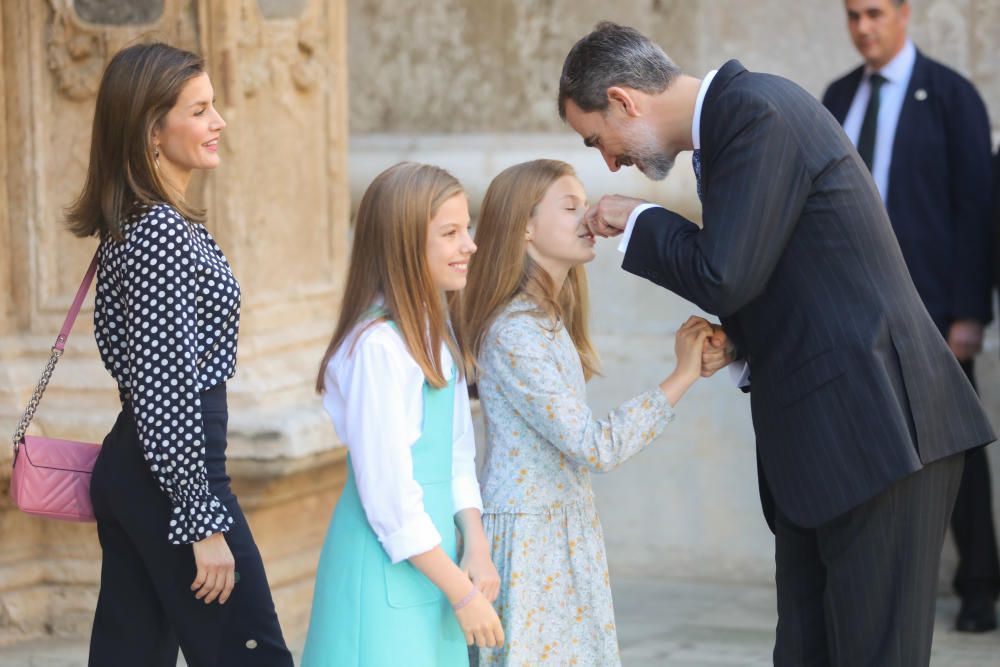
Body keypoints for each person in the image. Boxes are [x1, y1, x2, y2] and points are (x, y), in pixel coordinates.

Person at [558, 22, 995, 666]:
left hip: (881, 433)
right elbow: (793, 275)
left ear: (624, 100)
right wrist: (738, 341)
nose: (610, 162)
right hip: (833, 443)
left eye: (598, 139)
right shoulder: (734, 124)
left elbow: (725, 272)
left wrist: (640, 219)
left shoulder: (754, 110)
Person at [66, 43, 293, 666]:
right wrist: (202, 519)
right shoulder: (160, 233)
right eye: (199, 109)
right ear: (152, 131)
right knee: (252, 655)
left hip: (148, 468)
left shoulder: (150, 223)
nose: (219, 121)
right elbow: (165, 390)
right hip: (172, 473)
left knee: (131, 655)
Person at [456, 159, 712, 666]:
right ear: (524, 226)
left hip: (563, 529)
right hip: (529, 542)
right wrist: (681, 375)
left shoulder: (546, 320)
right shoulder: (515, 332)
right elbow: (594, 446)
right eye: (569, 206)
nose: (588, 215)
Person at [822, 0, 998, 633]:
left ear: (904, 13)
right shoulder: (838, 96)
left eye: (875, 12)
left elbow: (977, 210)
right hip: (849, 308)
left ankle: (979, 582)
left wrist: (970, 313)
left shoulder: (951, 96)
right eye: (852, 15)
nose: (864, 27)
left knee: (953, 447)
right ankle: (876, 580)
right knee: (862, 445)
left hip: (931, 312)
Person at [301, 162, 504, 666]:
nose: (470, 246)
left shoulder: (437, 336)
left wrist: (474, 544)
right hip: (388, 566)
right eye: (451, 233)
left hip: (437, 564)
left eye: (467, 229)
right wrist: (461, 593)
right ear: (406, 245)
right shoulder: (378, 348)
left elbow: (457, 454)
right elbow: (389, 497)